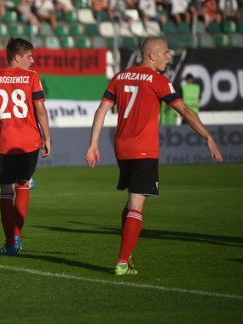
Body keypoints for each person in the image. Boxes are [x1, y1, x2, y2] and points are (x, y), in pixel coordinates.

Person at [85, 38, 223, 276]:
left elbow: (101, 110)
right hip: (144, 149)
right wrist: (207, 136)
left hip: (122, 148)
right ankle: (121, 261)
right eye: (166, 53)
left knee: (131, 202)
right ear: (152, 56)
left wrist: (93, 144)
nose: (169, 57)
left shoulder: (120, 77)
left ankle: (127, 255)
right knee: (137, 205)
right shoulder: (159, 81)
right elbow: (185, 111)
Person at [0, 38, 51, 255]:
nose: (33, 61)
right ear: (17, 57)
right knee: (24, 185)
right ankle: (16, 235)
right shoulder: (32, 78)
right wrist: (47, 137)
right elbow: (40, 110)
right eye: (29, 56)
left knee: (6, 192)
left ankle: (11, 242)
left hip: (6, 143)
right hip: (29, 142)